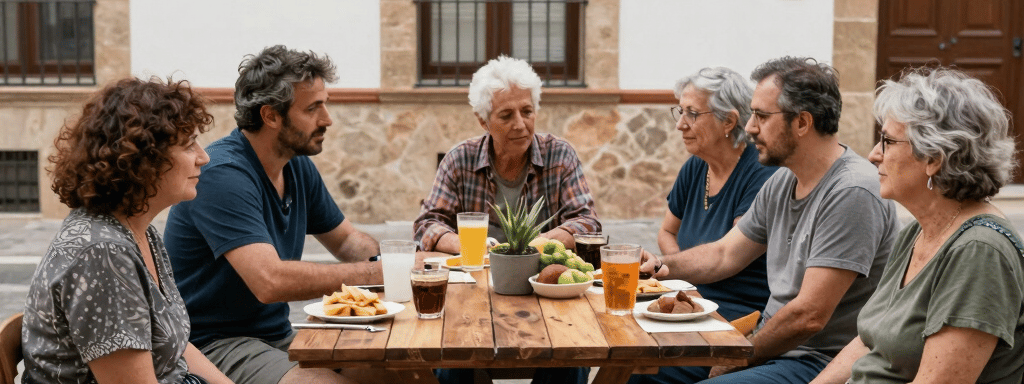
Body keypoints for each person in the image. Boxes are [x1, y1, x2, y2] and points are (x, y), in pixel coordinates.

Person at [634, 56, 900, 383]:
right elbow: (724, 254)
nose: (749, 127)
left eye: (761, 116)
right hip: (772, 348)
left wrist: (738, 356)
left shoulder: (852, 191)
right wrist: (660, 265)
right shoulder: (783, 180)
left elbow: (808, 316)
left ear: (802, 122)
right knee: (639, 370)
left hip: (819, 360)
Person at [164, 45, 387, 384]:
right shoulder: (222, 175)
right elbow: (269, 282)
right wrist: (373, 273)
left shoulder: (296, 165)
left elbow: (346, 241)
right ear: (270, 116)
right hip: (213, 344)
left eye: (325, 104)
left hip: (276, 335)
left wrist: (394, 265)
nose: (327, 119)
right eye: (313, 108)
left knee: (402, 370)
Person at [810, 68, 1024, 383]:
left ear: (934, 158)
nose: (873, 154)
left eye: (887, 141)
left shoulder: (980, 251)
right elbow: (870, 342)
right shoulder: (917, 231)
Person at [21, 77, 232, 384]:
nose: (204, 157)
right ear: (143, 159)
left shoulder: (139, 231)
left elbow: (176, 346)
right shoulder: (101, 253)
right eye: (189, 145)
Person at [413, 55, 595, 384]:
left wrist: (542, 242)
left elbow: (586, 222)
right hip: (472, 297)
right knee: (452, 357)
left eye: (527, 111)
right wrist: (466, 245)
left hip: (546, 294)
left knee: (572, 353)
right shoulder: (460, 159)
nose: (520, 124)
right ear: (483, 121)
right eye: (506, 115)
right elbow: (427, 224)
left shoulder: (560, 154)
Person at [645, 67, 779, 383]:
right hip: (690, 305)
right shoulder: (696, 166)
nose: (680, 124)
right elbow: (667, 231)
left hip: (735, 316)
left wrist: (665, 267)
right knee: (632, 350)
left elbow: (726, 257)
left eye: (692, 113)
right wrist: (682, 285)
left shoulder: (760, 174)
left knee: (648, 367)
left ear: (728, 122)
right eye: (680, 111)